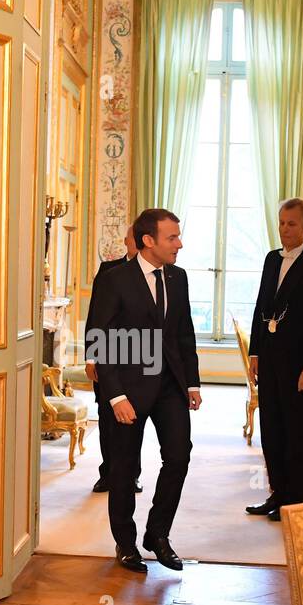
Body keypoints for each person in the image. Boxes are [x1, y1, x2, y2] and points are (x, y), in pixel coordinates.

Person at [84, 208, 202, 574]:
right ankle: (126, 543)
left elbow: (184, 333)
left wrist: (193, 382)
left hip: (170, 387)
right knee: (123, 468)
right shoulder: (114, 279)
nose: (179, 244)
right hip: (127, 389)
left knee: (179, 456)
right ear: (148, 241)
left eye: (178, 236)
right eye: (172, 237)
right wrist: (115, 396)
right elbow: (100, 338)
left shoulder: (178, 278)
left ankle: (158, 534)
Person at [244, 199, 303, 522]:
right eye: (282, 223)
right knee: (272, 430)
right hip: (269, 362)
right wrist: (255, 352)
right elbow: (261, 308)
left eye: (292, 224)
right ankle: (277, 493)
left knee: (298, 434)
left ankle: (294, 501)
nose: (285, 229)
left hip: (301, 367)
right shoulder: (272, 260)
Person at [85, 228, 142, 495]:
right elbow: (94, 316)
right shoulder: (108, 270)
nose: (137, 241)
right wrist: (91, 356)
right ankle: (107, 472)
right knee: (107, 417)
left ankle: (132, 475)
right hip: (108, 357)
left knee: (135, 420)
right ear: (127, 241)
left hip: (141, 359)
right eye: (133, 237)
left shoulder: (157, 272)